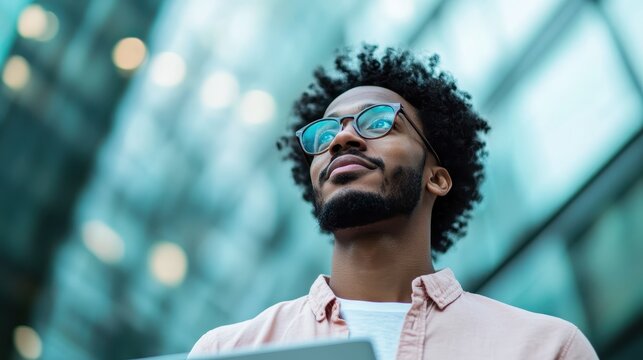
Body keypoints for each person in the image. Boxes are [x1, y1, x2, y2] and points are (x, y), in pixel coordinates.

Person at [189, 45, 598, 360]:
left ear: (435, 178)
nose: (341, 138)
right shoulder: (227, 351)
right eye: (325, 133)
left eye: (379, 121)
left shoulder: (546, 349)